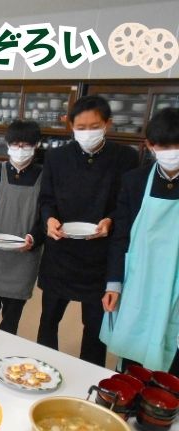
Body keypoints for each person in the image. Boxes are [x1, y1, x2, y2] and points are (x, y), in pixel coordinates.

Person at [37, 95, 139, 366]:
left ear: (107, 124)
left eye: (94, 126)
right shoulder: (57, 157)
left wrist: (110, 220)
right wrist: (49, 219)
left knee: (94, 328)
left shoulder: (125, 158)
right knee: (48, 319)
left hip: (100, 257)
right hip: (61, 253)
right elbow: (46, 199)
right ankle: (42, 368)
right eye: (81, 127)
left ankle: (90, 375)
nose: (87, 133)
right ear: (70, 126)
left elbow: (128, 204)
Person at [100, 107, 179, 375]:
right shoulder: (135, 181)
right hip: (139, 279)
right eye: (164, 146)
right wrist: (114, 284)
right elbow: (120, 235)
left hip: (175, 283)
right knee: (132, 353)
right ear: (150, 145)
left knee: (170, 356)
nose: (172, 152)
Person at [0, 120, 45, 334]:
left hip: (24, 261)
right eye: (15, 144)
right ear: (7, 144)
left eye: (26, 144)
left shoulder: (45, 177)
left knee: (10, 322)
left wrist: (34, 238)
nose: (20, 149)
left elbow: (47, 219)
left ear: (36, 145)